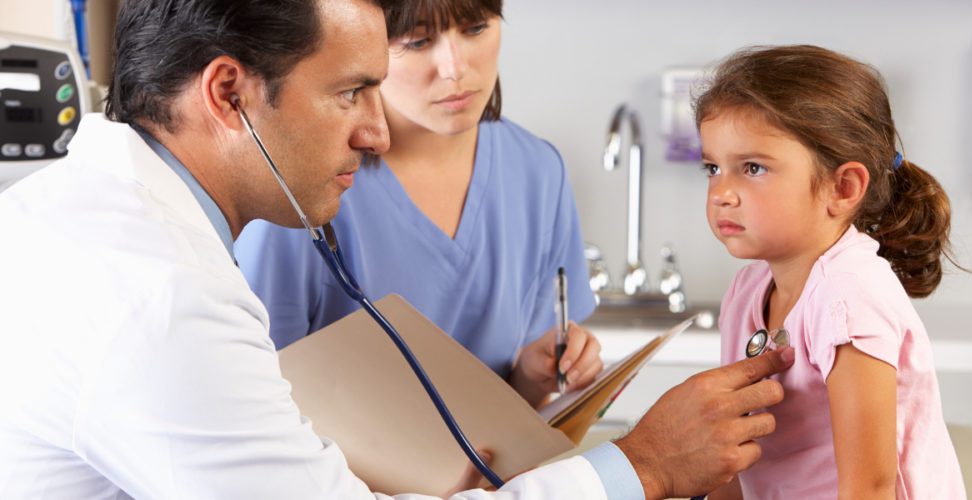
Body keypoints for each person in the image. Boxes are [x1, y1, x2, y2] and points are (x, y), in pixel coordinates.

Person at [0, 0, 792, 498]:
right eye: (350, 92)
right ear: (228, 95)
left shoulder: (84, 217)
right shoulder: (164, 302)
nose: (377, 131)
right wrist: (644, 467)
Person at [235, 0, 600, 407]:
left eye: (476, 28)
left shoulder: (538, 172)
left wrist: (534, 376)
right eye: (419, 41)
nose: (454, 67)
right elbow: (257, 398)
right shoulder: (297, 189)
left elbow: (511, 414)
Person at [696, 45, 966, 499]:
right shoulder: (748, 290)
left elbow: (870, 487)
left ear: (843, 188)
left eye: (754, 167)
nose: (722, 192)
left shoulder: (849, 297)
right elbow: (733, 459)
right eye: (713, 167)